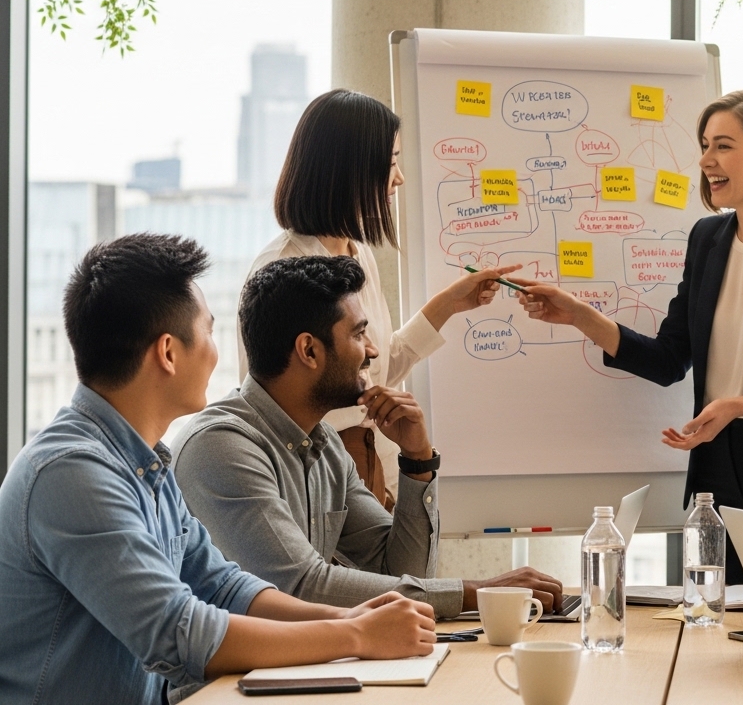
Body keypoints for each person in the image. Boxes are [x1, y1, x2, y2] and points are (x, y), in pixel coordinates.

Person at [0, 235, 437, 705]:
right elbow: (177, 631)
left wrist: (349, 622)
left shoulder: (145, 463)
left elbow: (222, 585)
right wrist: (354, 637)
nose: (216, 352)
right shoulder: (72, 472)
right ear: (168, 353)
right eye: (208, 332)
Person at [517, 89, 743, 583]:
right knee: (711, 621)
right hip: (714, 475)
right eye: (704, 145)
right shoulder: (707, 241)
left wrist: (738, 406)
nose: (705, 160)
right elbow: (668, 358)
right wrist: (579, 317)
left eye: (722, 145)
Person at [173, 256, 563, 619]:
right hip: (223, 691)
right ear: (309, 350)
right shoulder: (221, 448)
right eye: (359, 334)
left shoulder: (323, 444)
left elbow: (403, 570)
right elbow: (299, 588)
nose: (372, 350)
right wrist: (475, 592)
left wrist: (417, 461)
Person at [245, 88, 519, 510]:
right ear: (350, 169)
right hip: (319, 476)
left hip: (373, 465)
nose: (399, 178)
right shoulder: (281, 271)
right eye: (390, 163)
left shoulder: (357, 252)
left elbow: (376, 370)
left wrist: (449, 303)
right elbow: (266, 402)